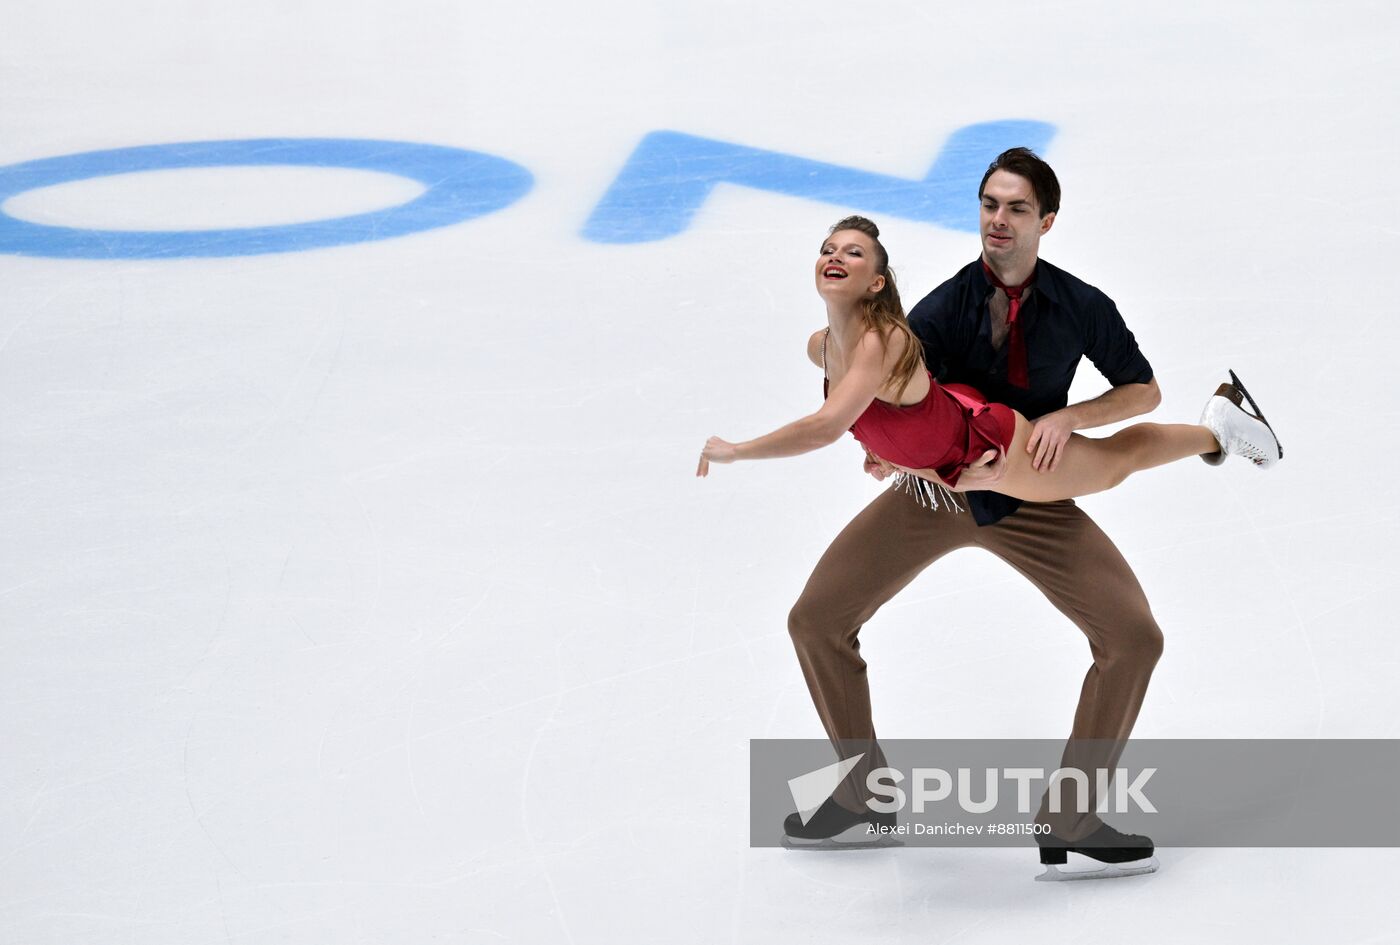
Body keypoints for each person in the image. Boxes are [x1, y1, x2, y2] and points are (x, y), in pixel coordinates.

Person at [698, 148, 1281, 880]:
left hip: (1030, 497)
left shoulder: (1081, 305)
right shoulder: (943, 304)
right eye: (988, 205)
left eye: (1015, 208)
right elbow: (901, 390)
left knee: (1133, 637)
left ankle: (1071, 812)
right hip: (935, 495)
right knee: (815, 618)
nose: (997, 220)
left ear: (1047, 220)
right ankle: (861, 798)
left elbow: (1140, 393)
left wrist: (1070, 416)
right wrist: (891, 455)